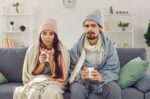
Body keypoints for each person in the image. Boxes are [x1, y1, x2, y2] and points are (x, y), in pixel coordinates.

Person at [69, 9, 121, 99]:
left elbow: (113, 67)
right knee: (76, 89)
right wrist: (80, 75)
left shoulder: (108, 45)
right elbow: (72, 68)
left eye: (93, 25)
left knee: (114, 89)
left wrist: (102, 77)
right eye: (87, 26)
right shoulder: (77, 46)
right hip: (83, 81)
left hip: (103, 80)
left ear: (99, 27)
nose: (90, 29)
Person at [13, 18, 70, 99]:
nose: (47, 37)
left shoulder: (62, 51)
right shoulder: (33, 50)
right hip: (37, 80)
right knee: (33, 93)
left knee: (51, 92)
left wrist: (51, 62)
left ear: (55, 36)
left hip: (55, 82)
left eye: (51, 34)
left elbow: (61, 76)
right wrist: (41, 63)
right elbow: (32, 74)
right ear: (40, 34)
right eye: (44, 33)